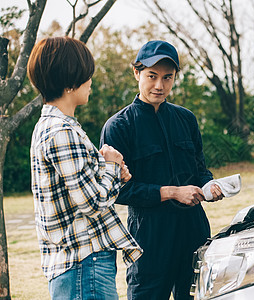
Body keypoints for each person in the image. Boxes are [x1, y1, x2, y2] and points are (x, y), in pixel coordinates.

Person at [100, 40, 224, 299]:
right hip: (149, 238)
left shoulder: (186, 119)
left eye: (167, 78)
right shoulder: (119, 127)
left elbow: (200, 169)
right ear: (136, 73)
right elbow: (118, 191)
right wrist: (172, 192)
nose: (159, 85)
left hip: (194, 232)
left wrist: (209, 186)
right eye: (152, 76)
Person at [28, 36, 143, 299]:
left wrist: (111, 172)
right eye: (86, 74)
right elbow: (93, 203)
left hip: (78, 264)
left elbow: (82, 192)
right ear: (70, 82)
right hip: (83, 264)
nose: (91, 81)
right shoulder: (62, 131)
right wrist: (112, 166)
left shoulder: (51, 127)